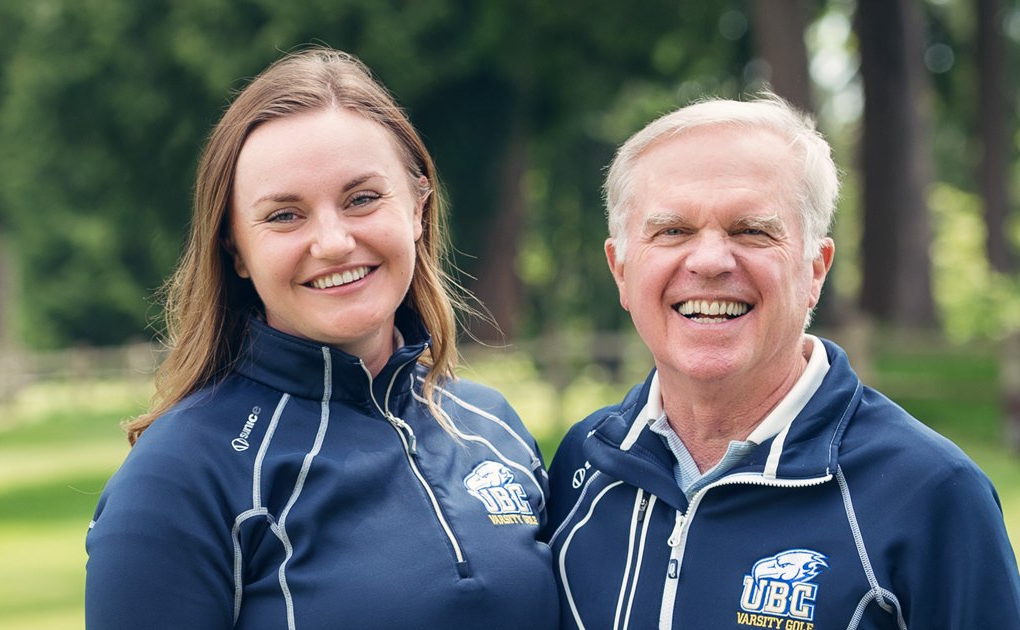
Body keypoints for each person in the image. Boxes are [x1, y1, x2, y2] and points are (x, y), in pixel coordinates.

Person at [85, 47, 558, 629]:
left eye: (362, 199)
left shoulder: (494, 428)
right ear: (235, 249)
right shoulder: (179, 477)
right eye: (285, 215)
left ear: (417, 207)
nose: (332, 242)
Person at [544, 95, 1020, 629]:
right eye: (672, 230)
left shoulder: (932, 494)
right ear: (621, 270)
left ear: (815, 269)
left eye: (752, 230)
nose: (709, 261)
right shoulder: (584, 465)